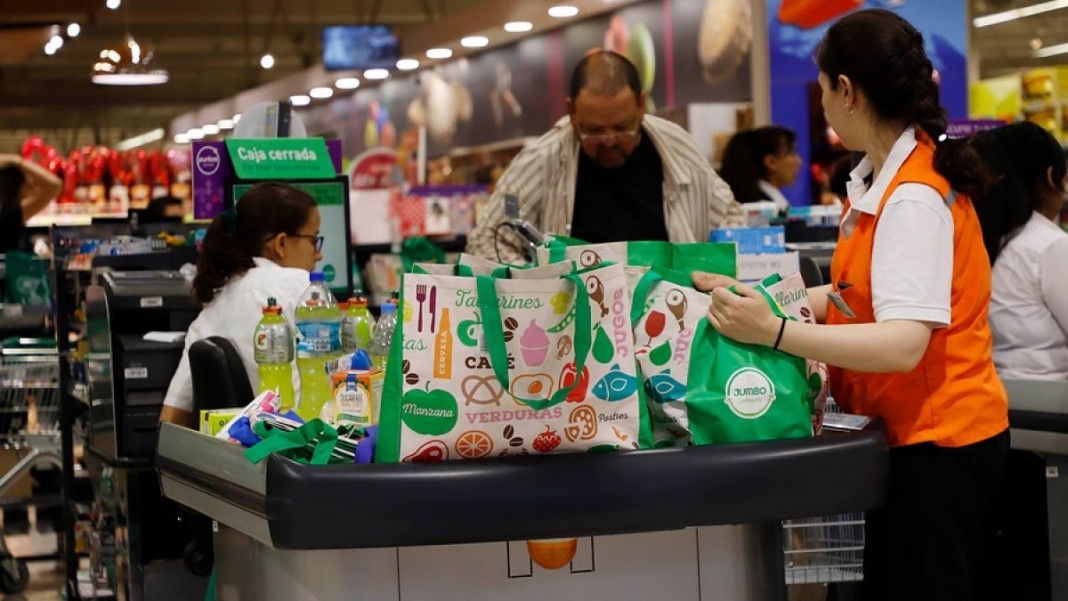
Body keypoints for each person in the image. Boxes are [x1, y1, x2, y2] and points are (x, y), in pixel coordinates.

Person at [693, 10, 1008, 601]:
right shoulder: (879, 182)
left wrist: (777, 332)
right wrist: (761, 300)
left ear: (847, 89)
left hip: (940, 447)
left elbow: (901, 344)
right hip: (905, 440)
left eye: (822, 87)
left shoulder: (912, 197)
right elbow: (851, 295)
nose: (821, 103)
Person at [465, 50, 744, 263]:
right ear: (572, 112)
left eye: (623, 128)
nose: (610, 141)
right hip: (572, 318)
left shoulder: (677, 147)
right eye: (594, 130)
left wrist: (710, 272)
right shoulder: (542, 159)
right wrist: (536, 287)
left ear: (640, 104)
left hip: (671, 311)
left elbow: (730, 218)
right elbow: (487, 241)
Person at [160, 182, 323, 428]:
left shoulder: (211, 312)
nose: (318, 254)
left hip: (239, 459)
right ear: (280, 244)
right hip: (306, 452)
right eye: (314, 240)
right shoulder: (299, 286)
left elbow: (171, 420)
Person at [970, 122, 1068, 379]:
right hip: (1050, 400)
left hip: (994, 392)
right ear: (1051, 177)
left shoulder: (977, 236)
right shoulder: (1048, 244)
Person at [718, 126, 802, 215]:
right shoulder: (764, 211)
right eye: (792, 154)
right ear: (771, 162)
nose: (799, 162)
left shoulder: (773, 203)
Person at [0, 154, 62, 253]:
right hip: (11, 267)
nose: (33, 186)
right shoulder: (12, 213)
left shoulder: (8, 211)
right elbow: (54, 185)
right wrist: (17, 161)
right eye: (29, 182)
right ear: (20, 187)